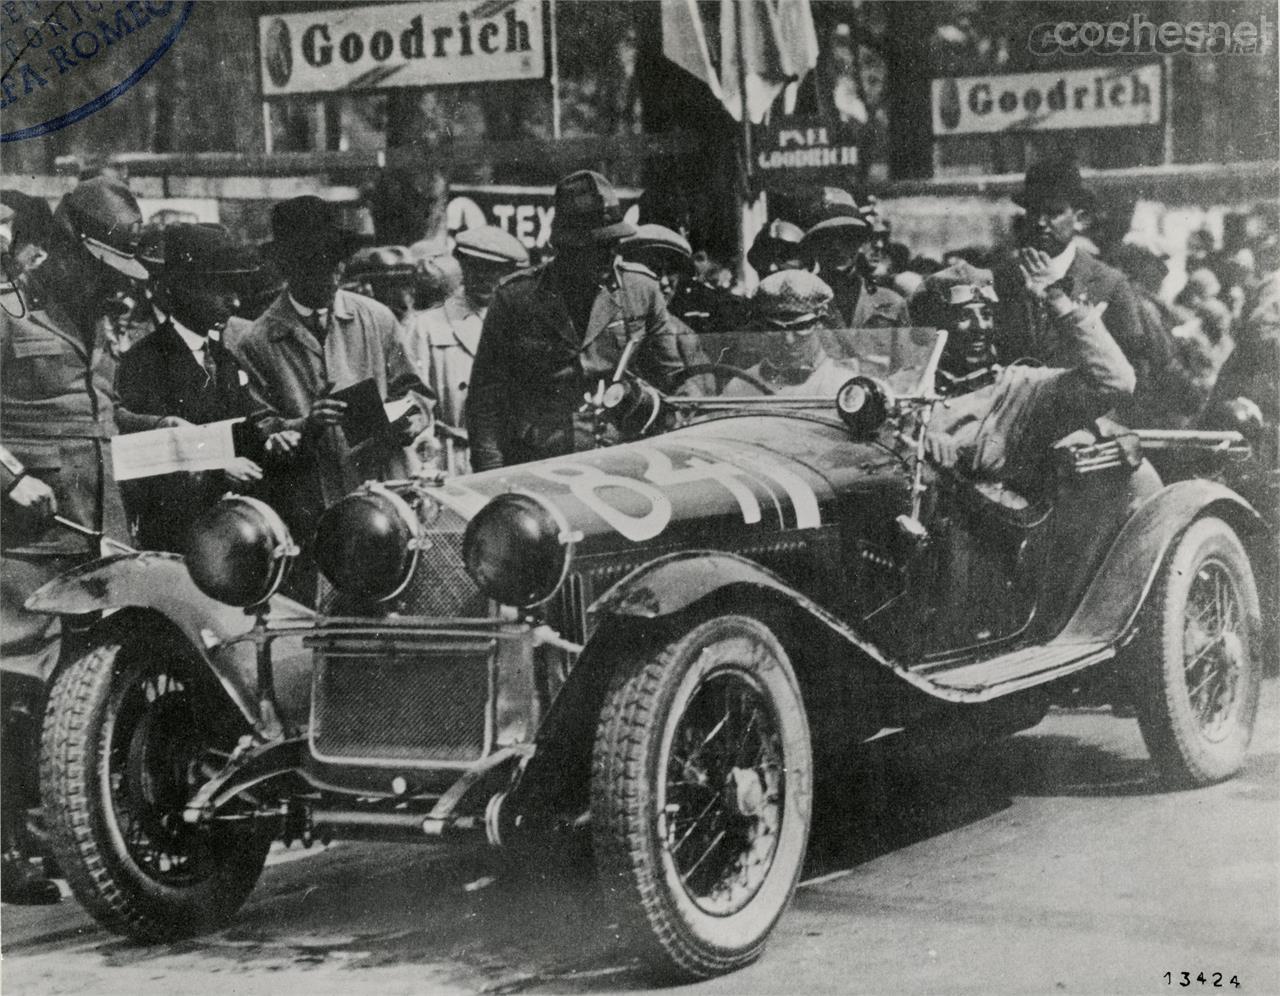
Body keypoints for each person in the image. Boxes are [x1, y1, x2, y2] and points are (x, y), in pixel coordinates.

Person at [1, 178, 147, 905]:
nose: (109, 286)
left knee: (78, 691)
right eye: (100, 268)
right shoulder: (8, 310)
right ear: (66, 249)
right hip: (23, 537)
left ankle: (64, 832)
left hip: (96, 533)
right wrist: (6, 478)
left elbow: (100, 419)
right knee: (13, 691)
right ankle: (6, 849)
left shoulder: (101, 321)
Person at [229, 196, 432, 586]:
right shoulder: (258, 342)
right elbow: (259, 428)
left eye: (338, 260)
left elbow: (416, 393)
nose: (333, 274)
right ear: (287, 267)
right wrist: (305, 425)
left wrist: (407, 419)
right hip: (312, 515)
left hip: (386, 499)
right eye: (316, 262)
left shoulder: (376, 319)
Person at [467, 171, 691, 470]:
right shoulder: (516, 299)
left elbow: (676, 386)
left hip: (623, 462)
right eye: (597, 247)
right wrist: (492, 476)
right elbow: (485, 402)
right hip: (538, 465)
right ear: (566, 247)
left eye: (614, 243)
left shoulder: (641, 291)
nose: (610, 255)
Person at [113, 224, 273, 552]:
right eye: (219, 289)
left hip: (231, 533)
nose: (235, 300)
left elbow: (242, 432)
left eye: (235, 287)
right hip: (177, 536)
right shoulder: (145, 361)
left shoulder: (224, 358)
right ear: (180, 289)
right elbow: (144, 459)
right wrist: (216, 470)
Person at [924, 261, 1136, 495]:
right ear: (937, 325)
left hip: (989, 521)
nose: (980, 327)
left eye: (986, 314)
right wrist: (922, 439)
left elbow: (1116, 382)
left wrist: (1060, 304)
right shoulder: (906, 386)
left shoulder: (1022, 386)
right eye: (964, 316)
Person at [992, 158, 1151, 425]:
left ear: (1080, 219)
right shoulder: (1004, 278)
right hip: (1012, 428)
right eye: (1033, 212)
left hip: (1086, 430)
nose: (1041, 223)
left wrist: (1109, 429)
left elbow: (1137, 373)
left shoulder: (1110, 284)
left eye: (1053, 212)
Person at [403, 225, 529, 473]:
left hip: (508, 456)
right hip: (449, 459)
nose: (484, 278)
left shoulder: (522, 323)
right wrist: (423, 466)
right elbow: (414, 405)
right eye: (475, 268)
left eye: (494, 271)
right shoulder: (428, 326)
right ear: (462, 267)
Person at [797, 187, 909, 341]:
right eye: (826, 238)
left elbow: (907, 363)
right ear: (813, 246)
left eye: (847, 236)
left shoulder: (891, 303)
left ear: (861, 241)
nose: (836, 247)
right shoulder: (797, 306)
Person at [724, 270, 859, 397]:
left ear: (820, 325)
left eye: (801, 326)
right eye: (775, 329)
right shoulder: (742, 386)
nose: (789, 339)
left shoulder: (843, 387)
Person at [619, 224, 714, 390]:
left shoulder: (684, 332)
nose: (664, 282)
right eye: (652, 270)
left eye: (671, 271)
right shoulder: (617, 323)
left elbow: (705, 394)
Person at [343, 245, 419, 323]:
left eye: (407, 284)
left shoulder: (422, 325)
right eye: (391, 284)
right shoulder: (360, 321)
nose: (403, 292)